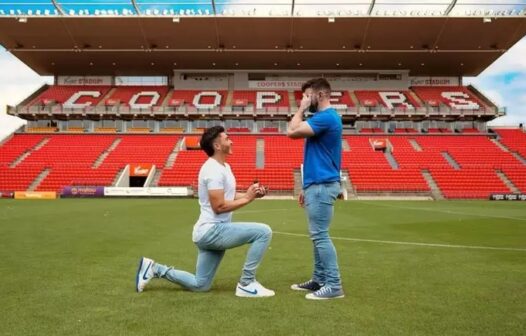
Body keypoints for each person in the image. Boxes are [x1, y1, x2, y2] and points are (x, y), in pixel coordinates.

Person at [136, 126, 274, 298]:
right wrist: (247, 199)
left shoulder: (224, 167)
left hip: (208, 232)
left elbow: (228, 196)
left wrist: (250, 194)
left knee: (200, 285)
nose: (231, 141)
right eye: (226, 138)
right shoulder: (213, 170)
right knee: (263, 232)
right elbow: (219, 207)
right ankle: (247, 283)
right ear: (217, 146)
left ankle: (155, 269)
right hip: (212, 231)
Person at [287, 78, 344, 300]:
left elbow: (291, 131)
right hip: (315, 184)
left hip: (322, 185)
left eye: (307, 95)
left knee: (320, 235)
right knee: (317, 235)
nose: (304, 99)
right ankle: (320, 279)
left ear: (320, 95)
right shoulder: (322, 118)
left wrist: (300, 109)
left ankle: (334, 285)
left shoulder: (326, 117)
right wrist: (305, 186)